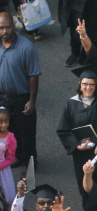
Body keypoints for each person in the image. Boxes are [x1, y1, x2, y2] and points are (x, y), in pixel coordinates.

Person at [56, 66, 97, 193]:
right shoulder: (71, 103)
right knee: (84, 182)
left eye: (92, 84)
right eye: (85, 84)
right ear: (80, 84)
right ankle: (90, 209)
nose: (88, 87)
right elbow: (64, 129)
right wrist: (77, 145)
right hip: (82, 152)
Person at [0, 12, 40, 166]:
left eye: (8, 27)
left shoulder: (26, 47)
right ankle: (17, 156)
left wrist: (32, 100)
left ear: (14, 26)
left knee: (27, 133)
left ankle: (30, 161)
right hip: (3, 97)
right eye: (1, 28)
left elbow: (33, 75)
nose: (4, 31)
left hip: (21, 97)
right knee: (9, 130)